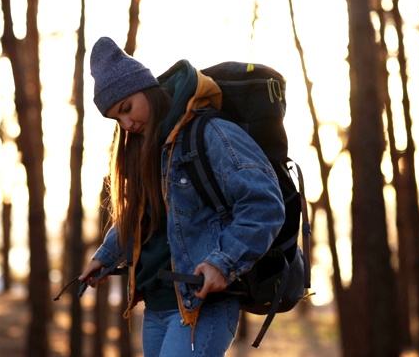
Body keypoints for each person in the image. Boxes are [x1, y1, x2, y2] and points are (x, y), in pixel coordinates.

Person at [79, 36, 286, 356]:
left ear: (144, 88)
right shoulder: (146, 148)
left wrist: (223, 263)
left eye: (126, 109)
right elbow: (143, 216)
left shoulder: (209, 132)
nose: (126, 123)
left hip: (203, 306)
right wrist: (106, 256)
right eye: (116, 118)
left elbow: (265, 203)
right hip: (157, 308)